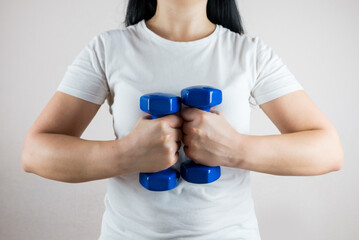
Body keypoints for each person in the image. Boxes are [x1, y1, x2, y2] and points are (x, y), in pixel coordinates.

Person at [21, 0, 344, 239]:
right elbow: (35, 153)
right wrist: (123, 155)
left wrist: (235, 149)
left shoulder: (250, 53)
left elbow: (328, 150)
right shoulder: (108, 49)